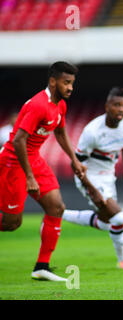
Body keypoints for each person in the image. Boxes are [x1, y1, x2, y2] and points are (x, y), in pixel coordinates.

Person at [0, 61, 86, 281]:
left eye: (72, 83)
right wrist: (29, 176)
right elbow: (19, 141)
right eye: (66, 83)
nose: (70, 88)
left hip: (34, 159)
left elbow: (60, 132)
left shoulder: (60, 105)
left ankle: (42, 266)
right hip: (13, 161)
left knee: (56, 207)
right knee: (12, 224)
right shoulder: (38, 104)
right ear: (52, 81)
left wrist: (74, 160)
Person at [62, 87, 123, 270]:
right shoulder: (92, 132)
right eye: (116, 105)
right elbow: (76, 165)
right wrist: (92, 189)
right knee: (119, 218)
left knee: (107, 224)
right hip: (89, 177)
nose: (121, 109)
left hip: (108, 176)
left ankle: (60, 214)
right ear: (107, 106)